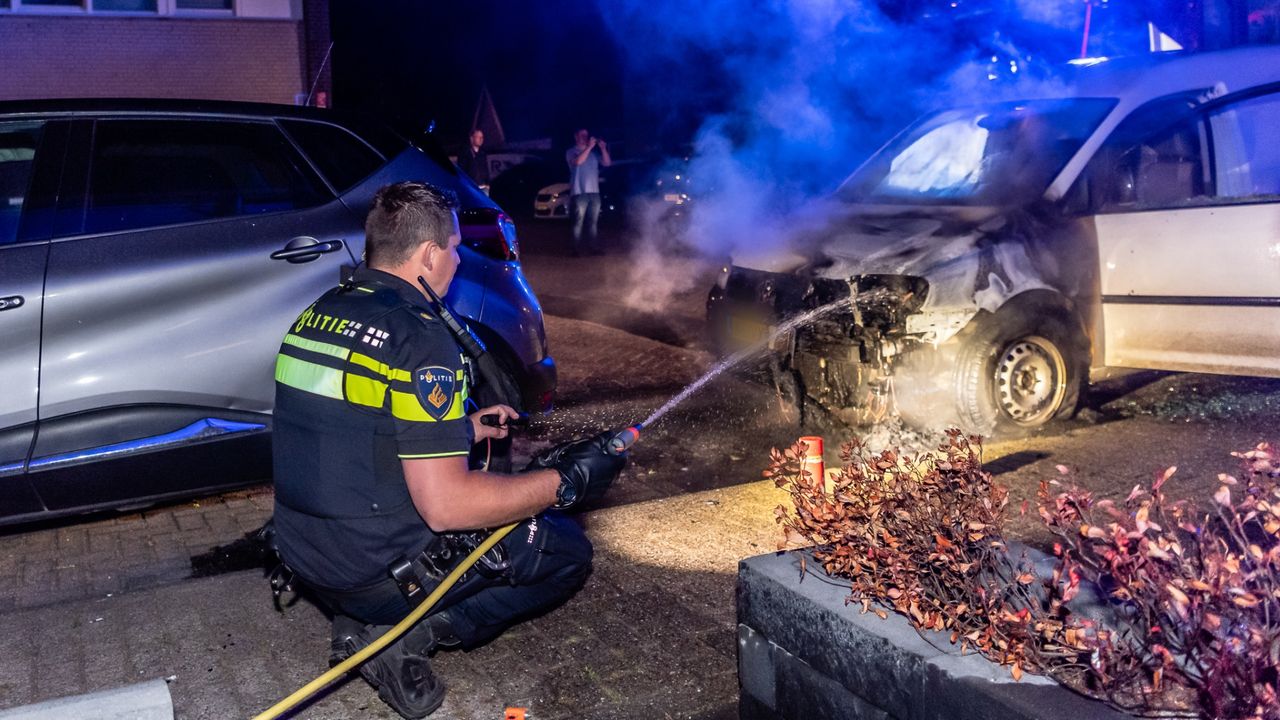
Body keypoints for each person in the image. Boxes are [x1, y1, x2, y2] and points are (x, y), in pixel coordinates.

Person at [270, 180, 626, 718]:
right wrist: (564, 483)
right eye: (455, 247)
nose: (458, 259)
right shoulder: (420, 336)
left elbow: (357, 428)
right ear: (430, 253)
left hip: (307, 558)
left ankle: (357, 615)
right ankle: (404, 637)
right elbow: (447, 507)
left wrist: (462, 428)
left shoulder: (319, 312)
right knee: (564, 554)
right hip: (371, 576)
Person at [565, 127, 611, 255]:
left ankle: (593, 248)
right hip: (579, 192)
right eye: (582, 135)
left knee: (593, 222)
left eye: (586, 135)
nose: (585, 137)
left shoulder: (593, 154)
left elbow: (607, 163)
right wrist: (589, 147)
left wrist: (602, 148)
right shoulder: (571, 151)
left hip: (594, 192)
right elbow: (578, 161)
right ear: (576, 136)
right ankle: (574, 249)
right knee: (578, 222)